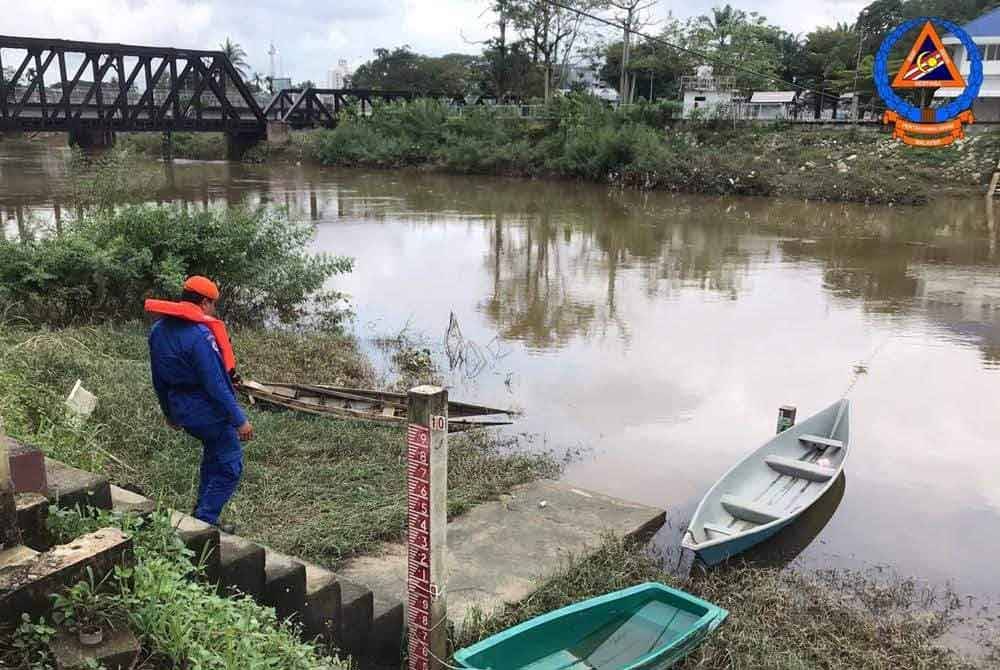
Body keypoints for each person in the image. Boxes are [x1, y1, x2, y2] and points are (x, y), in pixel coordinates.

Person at [146, 276, 253, 530]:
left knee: (213, 456)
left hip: (182, 410)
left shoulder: (158, 330)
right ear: (204, 302)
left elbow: (158, 378)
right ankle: (204, 522)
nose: (213, 309)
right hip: (207, 412)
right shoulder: (198, 335)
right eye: (213, 304)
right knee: (230, 465)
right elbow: (215, 384)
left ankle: (201, 515)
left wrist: (168, 412)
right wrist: (239, 419)